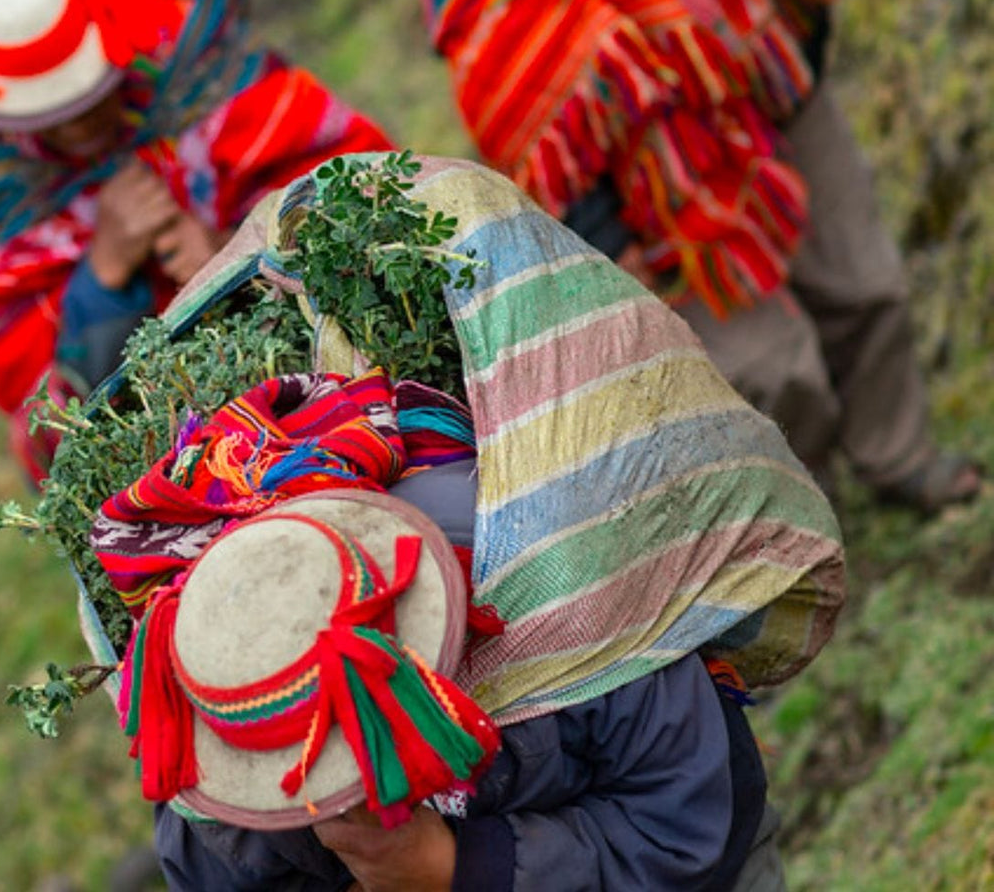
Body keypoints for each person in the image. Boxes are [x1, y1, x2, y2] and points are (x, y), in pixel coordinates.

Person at [81, 155, 846, 889]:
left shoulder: (568, 596)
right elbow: (224, 875)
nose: (341, 785)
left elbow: (685, 830)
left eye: (350, 749)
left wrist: (451, 871)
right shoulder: (219, 719)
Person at [415, 0, 980, 514]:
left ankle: (899, 456)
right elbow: (518, 97)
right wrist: (605, 235)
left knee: (863, 279)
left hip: (770, 82)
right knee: (766, 367)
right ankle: (807, 512)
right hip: (651, 183)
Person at [0, 0, 393, 481]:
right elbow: (53, 443)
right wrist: (103, 278)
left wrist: (236, 255)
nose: (78, 125)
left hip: (341, 388)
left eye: (85, 95)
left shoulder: (201, 78)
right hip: (178, 472)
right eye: (49, 112)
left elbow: (365, 192)